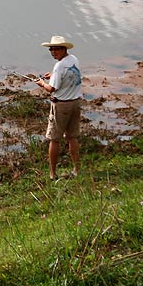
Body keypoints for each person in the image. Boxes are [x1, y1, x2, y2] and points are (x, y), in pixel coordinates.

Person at [34, 36, 82, 180]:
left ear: (63, 49)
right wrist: (53, 75)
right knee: (72, 137)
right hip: (76, 103)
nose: (52, 52)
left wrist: (42, 83)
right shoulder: (73, 59)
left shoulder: (59, 66)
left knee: (54, 139)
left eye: (56, 49)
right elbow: (69, 76)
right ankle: (76, 170)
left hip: (62, 106)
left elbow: (52, 88)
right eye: (51, 49)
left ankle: (52, 174)